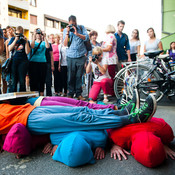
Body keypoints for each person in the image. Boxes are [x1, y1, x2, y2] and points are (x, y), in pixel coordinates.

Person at [108, 117, 175, 167]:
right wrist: (114, 144)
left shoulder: (166, 131)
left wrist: (114, 144)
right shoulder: (117, 135)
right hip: (129, 120)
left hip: (150, 122)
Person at [63, 15, 89, 100]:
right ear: (69, 23)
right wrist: (67, 32)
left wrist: (77, 33)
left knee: (79, 76)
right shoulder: (65, 30)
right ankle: (70, 93)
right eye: (71, 24)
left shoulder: (81, 28)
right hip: (70, 56)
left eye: (74, 23)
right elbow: (65, 44)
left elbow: (86, 38)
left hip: (81, 56)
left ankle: (78, 94)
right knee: (71, 76)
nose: (72, 25)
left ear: (76, 22)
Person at [8, 26, 30, 92]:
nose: (19, 35)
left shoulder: (25, 40)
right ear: (15, 33)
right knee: (14, 81)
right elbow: (9, 49)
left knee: (22, 80)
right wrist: (15, 39)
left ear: (23, 33)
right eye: (17, 34)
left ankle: (22, 98)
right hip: (14, 61)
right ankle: (13, 98)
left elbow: (27, 52)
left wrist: (26, 42)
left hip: (23, 61)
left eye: (20, 34)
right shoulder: (12, 39)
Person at [29, 28, 50, 96]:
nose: (38, 35)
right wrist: (33, 35)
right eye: (37, 33)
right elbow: (31, 46)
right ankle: (33, 95)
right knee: (33, 79)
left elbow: (47, 46)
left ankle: (41, 95)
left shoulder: (44, 42)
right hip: (33, 62)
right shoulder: (32, 41)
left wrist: (45, 36)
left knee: (42, 79)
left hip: (42, 62)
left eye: (39, 33)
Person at [102, 25, 118, 93]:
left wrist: (100, 49)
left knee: (111, 76)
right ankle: (112, 91)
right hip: (110, 59)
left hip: (110, 59)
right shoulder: (112, 36)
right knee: (111, 75)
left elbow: (109, 48)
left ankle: (112, 92)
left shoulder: (110, 36)